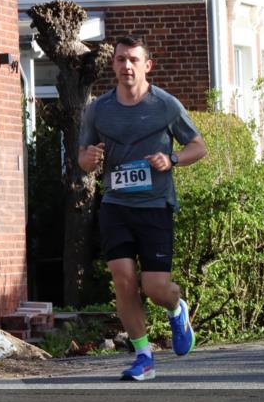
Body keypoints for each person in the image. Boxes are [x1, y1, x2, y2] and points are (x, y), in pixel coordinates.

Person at [78, 35, 208, 381]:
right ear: (114, 65)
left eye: (133, 60)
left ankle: (177, 308)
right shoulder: (99, 109)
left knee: (154, 287)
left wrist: (173, 158)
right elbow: (83, 158)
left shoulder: (165, 105)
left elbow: (199, 146)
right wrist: (88, 159)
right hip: (115, 204)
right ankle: (144, 356)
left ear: (147, 65)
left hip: (154, 206)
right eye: (120, 60)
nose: (126, 66)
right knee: (123, 279)